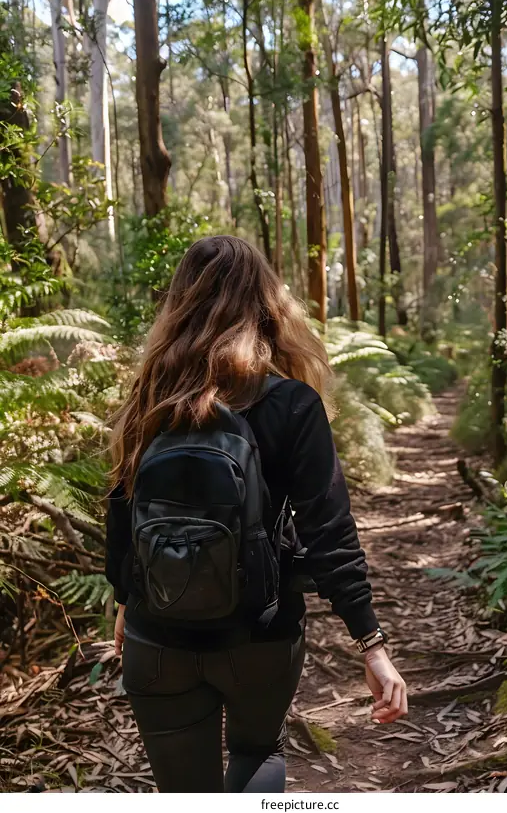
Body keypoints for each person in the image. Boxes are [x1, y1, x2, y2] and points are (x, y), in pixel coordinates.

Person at [105, 235, 408, 793]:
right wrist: (373, 646)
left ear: (180, 303)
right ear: (267, 306)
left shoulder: (148, 397)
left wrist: (125, 598)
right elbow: (329, 532)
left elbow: (121, 509)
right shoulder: (292, 404)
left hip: (158, 634)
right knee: (257, 751)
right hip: (261, 637)